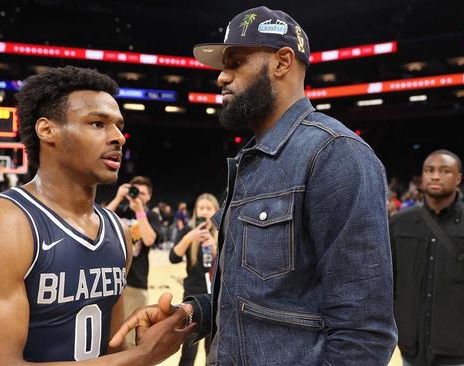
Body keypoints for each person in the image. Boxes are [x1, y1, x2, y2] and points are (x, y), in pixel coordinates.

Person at [111, 6, 397, 365]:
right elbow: (262, 297)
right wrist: (193, 312)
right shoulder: (253, 158)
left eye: (236, 63)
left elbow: (364, 334)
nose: (221, 78)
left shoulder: (336, 154)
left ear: (282, 62)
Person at [0, 66, 194, 365]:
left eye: (119, 126)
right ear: (47, 130)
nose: (118, 137)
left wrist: (140, 342)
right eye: (97, 123)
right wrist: (142, 357)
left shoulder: (116, 230)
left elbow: (112, 349)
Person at [390, 150, 464, 366]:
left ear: (459, 178)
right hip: (410, 350)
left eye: (445, 171)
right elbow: (389, 285)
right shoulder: (399, 224)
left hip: (462, 349)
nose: (435, 176)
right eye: (429, 170)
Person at [106, 175, 163, 347]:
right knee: (108, 336)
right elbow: (99, 222)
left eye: (143, 193)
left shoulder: (151, 215)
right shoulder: (120, 211)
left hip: (136, 283)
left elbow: (149, 240)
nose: (139, 196)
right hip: (111, 280)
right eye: (135, 192)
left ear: (150, 196)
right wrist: (118, 197)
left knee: (130, 340)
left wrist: (139, 211)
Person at [169, 193, 219, 366]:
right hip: (193, 299)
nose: (204, 212)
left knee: (212, 352)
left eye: (209, 208)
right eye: (201, 208)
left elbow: (229, 264)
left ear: (216, 211)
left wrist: (214, 246)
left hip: (215, 299)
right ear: (196, 211)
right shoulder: (188, 232)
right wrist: (189, 238)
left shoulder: (223, 233)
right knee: (188, 352)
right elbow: (173, 257)